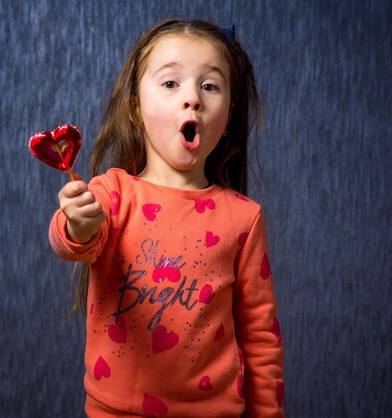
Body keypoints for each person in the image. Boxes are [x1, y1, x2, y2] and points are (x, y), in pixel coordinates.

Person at [48, 19, 284, 417]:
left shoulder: (244, 218)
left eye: (209, 85)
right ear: (136, 108)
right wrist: (79, 223)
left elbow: (261, 336)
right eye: (171, 83)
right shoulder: (113, 194)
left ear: (228, 115)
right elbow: (69, 239)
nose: (192, 98)